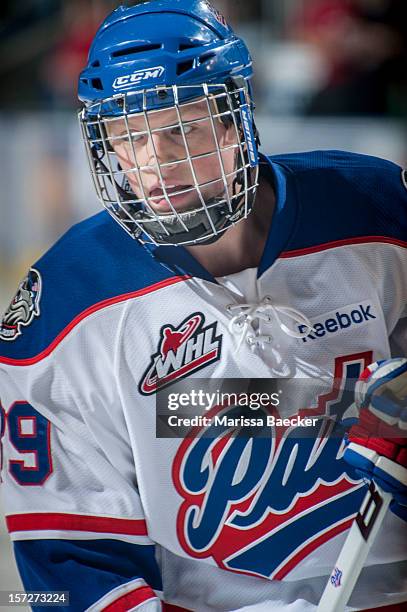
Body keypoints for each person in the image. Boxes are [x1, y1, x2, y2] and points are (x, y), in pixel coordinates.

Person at [0, 1, 406, 610]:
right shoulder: (66, 304)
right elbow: (72, 556)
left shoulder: (374, 208)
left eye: (181, 126)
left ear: (232, 117)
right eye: (129, 136)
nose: (156, 161)